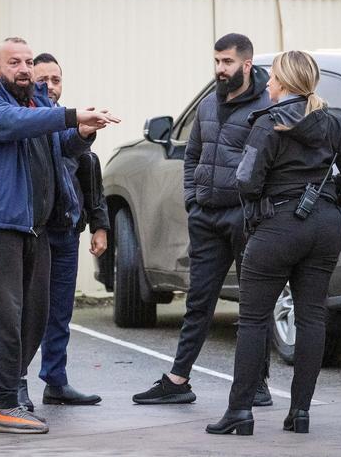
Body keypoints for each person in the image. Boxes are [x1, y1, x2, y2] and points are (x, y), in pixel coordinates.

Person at [0, 37, 119, 434]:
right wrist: (68, 114)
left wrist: (82, 132)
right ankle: (2, 405)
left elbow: (58, 144)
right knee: (4, 318)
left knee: (35, 316)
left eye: (28, 61)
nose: (24, 68)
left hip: (36, 228)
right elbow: (13, 126)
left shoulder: (39, 102)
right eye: (14, 62)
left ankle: (1, 398)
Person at [206, 50, 341, 435]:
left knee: (253, 320)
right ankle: (300, 414)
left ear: (284, 81)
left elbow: (245, 181)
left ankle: (240, 413)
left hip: (278, 224)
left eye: (273, 77)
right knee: (312, 317)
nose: (269, 83)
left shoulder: (269, 122)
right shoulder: (333, 123)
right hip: (325, 224)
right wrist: (325, 192)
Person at [133, 33, 274, 406]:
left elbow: (269, 163)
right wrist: (194, 201)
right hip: (207, 217)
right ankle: (178, 380)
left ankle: (257, 384)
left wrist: (251, 207)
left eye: (227, 62)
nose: (219, 69)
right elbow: (193, 154)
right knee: (198, 301)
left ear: (246, 64)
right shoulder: (210, 103)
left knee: (252, 304)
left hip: (244, 217)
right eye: (216, 61)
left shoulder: (265, 104)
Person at [33, 52, 109, 406]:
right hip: (34, 233)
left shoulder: (71, 121)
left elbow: (89, 171)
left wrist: (99, 225)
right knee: (27, 312)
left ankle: (56, 382)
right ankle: (12, 385)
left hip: (66, 231)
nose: (50, 86)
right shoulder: (25, 120)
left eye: (56, 80)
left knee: (60, 313)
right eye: (42, 79)